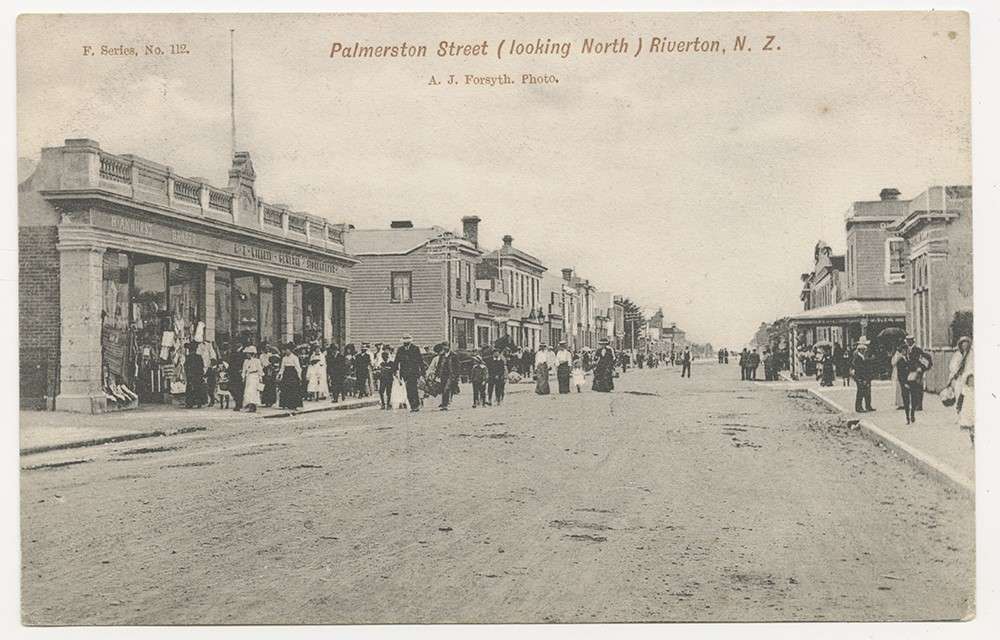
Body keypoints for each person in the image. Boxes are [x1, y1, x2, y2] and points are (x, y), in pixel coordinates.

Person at [948, 336, 974, 444]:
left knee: (967, 400)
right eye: (963, 344)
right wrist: (955, 373)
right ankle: (959, 415)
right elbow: (953, 366)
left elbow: (971, 367)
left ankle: (967, 420)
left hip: (968, 380)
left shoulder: (972, 355)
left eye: (966, 343)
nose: (965, 345)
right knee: (959, 397)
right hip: (960, 379)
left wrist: (968, 375)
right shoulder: (958, 355)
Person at [902, 334, 933, 417]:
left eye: (909, 341)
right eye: (907, 341)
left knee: (918, 388)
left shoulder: (917, 350)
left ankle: (919, 405)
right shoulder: (906, 350)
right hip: (909, 372)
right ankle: (914, 404)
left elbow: (923, 360)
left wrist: (921, 368)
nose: (908, 342)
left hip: (917, 372)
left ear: (913, 341)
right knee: (912, 389)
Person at [394, 335, 426, 412]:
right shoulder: (400, 350)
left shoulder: (415, 349)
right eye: (404, 342)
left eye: (407, 342)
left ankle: (416, 405)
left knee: (413, 389)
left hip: (414, 372)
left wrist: (422, 372)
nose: (405, 344)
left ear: (410, 342)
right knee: (408, 390)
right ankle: (412, 405)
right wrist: (394, 370)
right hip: (404, 373)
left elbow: (420, 361)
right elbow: (396, 360)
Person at [851, 337, 874, 413]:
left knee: (867, 392)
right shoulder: (857, 357)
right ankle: (859, 407)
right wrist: (862, 378)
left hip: (866, 376)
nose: (865, 350)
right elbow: (859, 368)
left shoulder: (864, 356)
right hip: (861, 377)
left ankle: (868, 406)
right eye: (863, 349)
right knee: (860, 392)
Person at [277, 344, 303, 410]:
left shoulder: (295, 357)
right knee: (285, 389)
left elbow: (298, 367)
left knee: (293, 390)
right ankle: (284, 404)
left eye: (287, 350)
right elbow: (282, 368)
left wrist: (299, 376)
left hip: (292, 374)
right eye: (285, 350)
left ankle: (293, 405)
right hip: (286, 374)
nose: (286, 351)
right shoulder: (284, 358)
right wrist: (280, 375)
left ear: (290, 350)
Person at [437, 342, 461, 410]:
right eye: (443, 347)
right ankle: (444, 403)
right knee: (443, 388)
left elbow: (457, 366)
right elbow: (439, 365)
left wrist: (457, 376)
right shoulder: (442, 355)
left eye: (445, 347)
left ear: (448, 347)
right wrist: (436, 374)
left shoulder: (454, 355)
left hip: (451, 375)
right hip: (443, 375)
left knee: (446, 389)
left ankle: (445, 405)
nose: (444, 348)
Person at [183, 342, 206, 408]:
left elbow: (186, 367)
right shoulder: (199, 357)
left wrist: (187, 374)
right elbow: (202, 366)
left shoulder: (188, 357)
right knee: (198, 389)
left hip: (191, 375)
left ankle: (190, 403)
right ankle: (199, 402)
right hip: (198, 375)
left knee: (190, 389)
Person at [241, 345, 263, 412]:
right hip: (249, 377)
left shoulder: (257, 361)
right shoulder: (245, 361)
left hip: (255, 377)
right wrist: (243, 377)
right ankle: (249, 405)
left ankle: (253, 406)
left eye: (248, 353)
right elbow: (244, 370)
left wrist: (260, 378)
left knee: (253, 392)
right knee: (248, 392)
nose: (247, 355)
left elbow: (260, 370)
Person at [227, 345, 246, 412]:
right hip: (234, 374)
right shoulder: (235, 354)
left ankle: (238, 404)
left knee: (237, 390)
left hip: (237, 375)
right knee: (234, 390)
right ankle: (238, 403)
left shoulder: (241, 354)